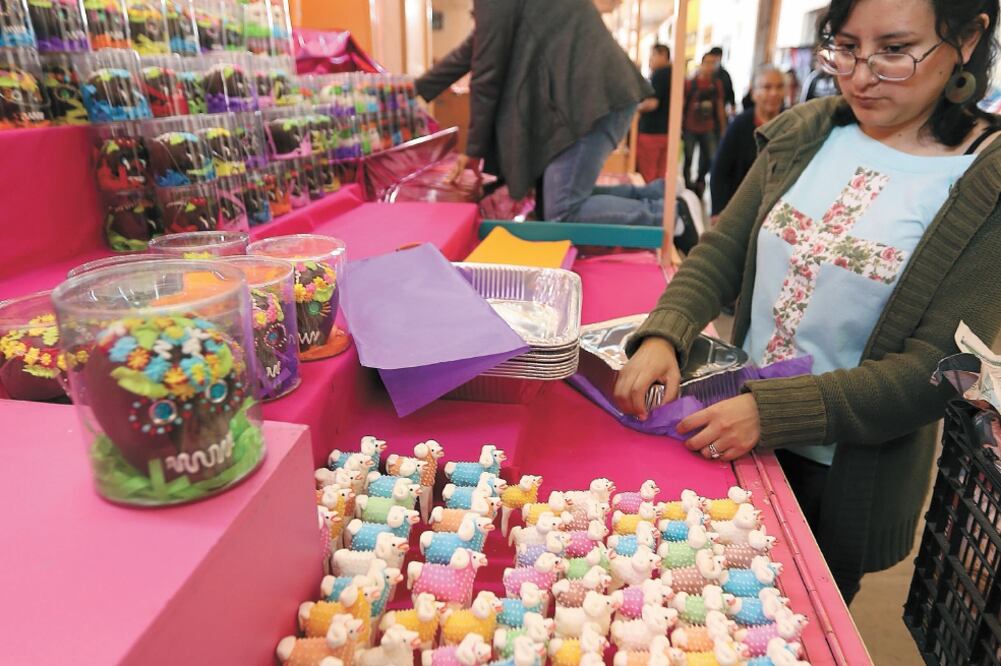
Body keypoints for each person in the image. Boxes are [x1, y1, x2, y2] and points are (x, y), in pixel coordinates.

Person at [614, 0, 1001, 604]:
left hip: (837, 475)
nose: (862, 76)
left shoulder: (982, 175)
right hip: (726, 433)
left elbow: (940, 370)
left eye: (895, 51)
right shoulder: (812, 129)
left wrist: (771, 411)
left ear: (968, 38)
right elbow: (721, 250)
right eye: (846, 48)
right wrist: (667, 332)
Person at [415, 0, 661, 226]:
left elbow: (486, 76)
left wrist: (473, 149)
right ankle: (660, 196)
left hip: (590, 101)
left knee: (562, 211)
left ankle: (668, 215)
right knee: (557, 201)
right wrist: (415, 88)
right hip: (596, 96)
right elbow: (474, 49)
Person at [710, 65, 787, 218]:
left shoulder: (792, 123)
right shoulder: (740, 125)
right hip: (740, 209)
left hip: (777, 212)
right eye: (767, 87)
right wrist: (718, 212)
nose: (774, 93)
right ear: (754, 93)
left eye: (779, 87)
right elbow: (720, 170)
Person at [683, 54, 727, 196]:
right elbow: (683, 103)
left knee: (710, 157)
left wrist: (723, 127)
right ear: (701, 64)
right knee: (688, 157)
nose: (710, 66)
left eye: (713, 63)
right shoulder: (691, 83)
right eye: (707, 63)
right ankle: (687, 185)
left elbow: (719, 106)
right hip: (690, 126)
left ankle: (700, 182)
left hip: (708, 127)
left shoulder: (716, 84)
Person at [636, 44, 673, 183]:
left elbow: (652, 103)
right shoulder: (675, 74)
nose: (650, 59)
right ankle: (659, 203)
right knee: (661, 175)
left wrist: (636, 108)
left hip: (651, 132)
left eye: (653, 55)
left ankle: (650, 203)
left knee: (648, 175)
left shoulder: (660, 74)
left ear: (663, 54)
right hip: (667, 132)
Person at [706, 46, 737, 113]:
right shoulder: (701, 75)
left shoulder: (724, 74)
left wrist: (733, 105)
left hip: (719, 109)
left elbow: (730, 90)